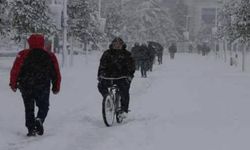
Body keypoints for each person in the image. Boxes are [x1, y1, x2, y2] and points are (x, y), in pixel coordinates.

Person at [9, 34, 61, 136]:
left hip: (26, 85)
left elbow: (15, 70)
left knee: (29, 108)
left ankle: (31, 129)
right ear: (42, 42)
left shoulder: (22, 54)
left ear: (30, 42)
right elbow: (56, 72)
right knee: (44, 106)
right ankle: (40, 119)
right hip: (43, 85)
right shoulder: (50, 56)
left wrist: (13, 84)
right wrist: (56, 86)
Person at [97, 37, 135, 118]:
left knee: (124, 91)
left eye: (119, 44)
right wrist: (100, 75)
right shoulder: (107, 53)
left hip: (122, 77)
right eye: (115, 44)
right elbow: (102, 66)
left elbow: (131, 67)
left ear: (122, 45)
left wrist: (129, 76)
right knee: (100, 85)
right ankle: (107, 100)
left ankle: (124, 110)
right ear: (112, 44)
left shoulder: (127, 54)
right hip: (108, 77)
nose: (117, 46)